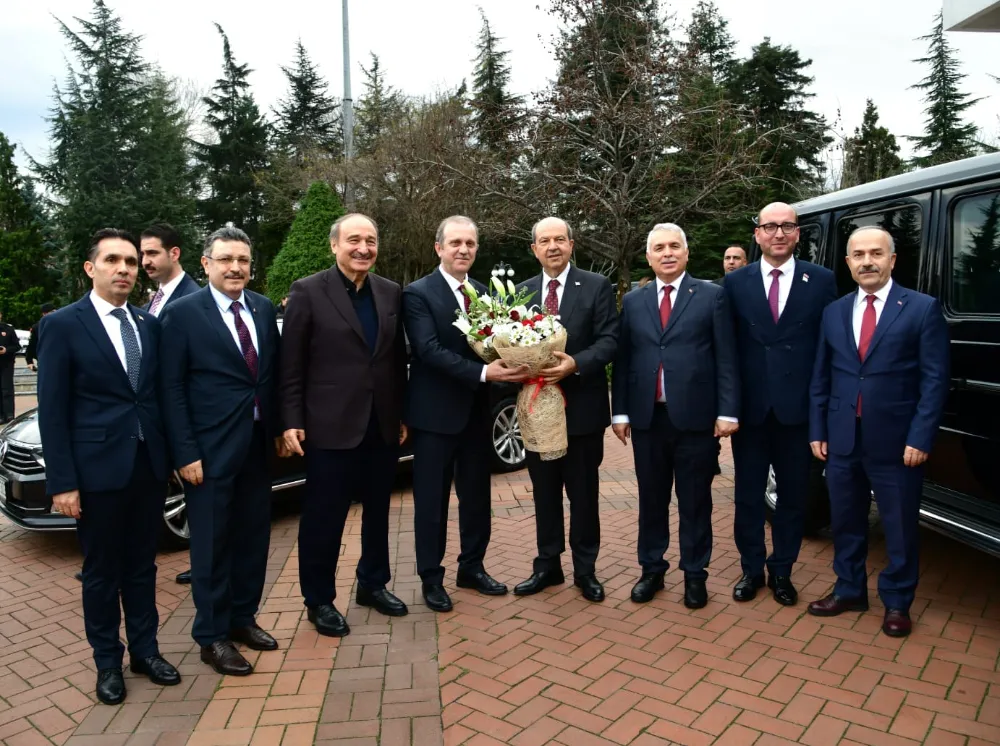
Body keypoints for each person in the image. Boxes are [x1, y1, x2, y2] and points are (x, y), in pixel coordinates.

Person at [37, 228, 180, 705]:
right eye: (114, 260)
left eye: (132, 262)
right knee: (102, 572)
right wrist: (63, 483)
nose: (124, 269)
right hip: (95, 472)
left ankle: (146, 651)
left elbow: (156, 398)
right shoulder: (62, 325)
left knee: (142, 566)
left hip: (146, 467)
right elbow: (53, 410)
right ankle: (107, 663)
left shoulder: (147, 324)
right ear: (90, 268)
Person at [808, 226, 949, 637]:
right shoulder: (834, 312)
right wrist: (818, 428)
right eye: (858, 254)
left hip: (897, 442)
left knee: (899, 525)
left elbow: (935, 380)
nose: (867, 261)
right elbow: (821, 376)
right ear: (848, 263)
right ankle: (849, 589)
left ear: (891, 260)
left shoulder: (921, 309)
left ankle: (898, 602)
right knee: (846, 521)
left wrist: (921, 436)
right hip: (841, 438)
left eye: (875, 253)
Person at [159, 225, 283, 676]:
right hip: (207, 453)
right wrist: (185, 452)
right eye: (226, 259)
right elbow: (171, 389)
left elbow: (269, 375)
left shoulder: (263, 309)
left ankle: (242, 619)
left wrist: (280, 429)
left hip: (255, 444)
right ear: (206, 264)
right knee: (210, 546)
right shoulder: (183, 314)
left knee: (253, 537)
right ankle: (211, 636)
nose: (236, 268)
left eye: (243, 260)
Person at [280, 213, 409, 637]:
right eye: (354, 240)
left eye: (371, 240)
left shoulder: (390, 293)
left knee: (378, 512)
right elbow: (292, 363)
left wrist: (401, 413)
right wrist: (292, 419)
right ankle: (318, 599)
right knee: (324, 517)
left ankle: (373, 583)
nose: (363, 248)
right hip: (329, 426)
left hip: (381, 425)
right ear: (334, 245)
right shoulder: (308, 291)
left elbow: (393, 361)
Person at [402, 215, 527, 612]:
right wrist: (484, 372)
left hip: (477, 414)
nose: (463, 250)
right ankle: (431, 577)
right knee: (432, 502)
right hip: (435, 417)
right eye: (455, 243)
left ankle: (471, 567)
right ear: (438, 248)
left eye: (470, 244)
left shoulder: (483, 293)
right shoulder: (418, 293)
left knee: (476, 497)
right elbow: (427, 349)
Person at [611, 223, 739, 608]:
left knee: (695, 500)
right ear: (648, 257)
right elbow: (624, 359)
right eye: (659, 248)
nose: (667, 253)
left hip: (696, 420)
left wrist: (727, 410)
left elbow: (727, 357)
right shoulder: (634, 301)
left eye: (674, 246)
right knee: (651, 499)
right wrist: (619, 412)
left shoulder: (712, 296)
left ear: (686, 253)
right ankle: (652, 570)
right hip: (649, 419)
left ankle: (695, 574)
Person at [724, 203, 837, 606]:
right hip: (751, 413)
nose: (778, 233)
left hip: (798, 412)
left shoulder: (821, 281)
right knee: (749, 496)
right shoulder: (735, 284)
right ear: (757, 234)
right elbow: (727, 351)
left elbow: (829, 349)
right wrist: (727, 407)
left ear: (797, 234)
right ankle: (751, 570)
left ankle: (783, 572)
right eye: (770, 226)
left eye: (786, 226)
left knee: (793, 498)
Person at [512, 217, 618, 602]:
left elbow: (610, 339)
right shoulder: (520, 293)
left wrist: (576, 363)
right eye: (545, 241)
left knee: (584, 494)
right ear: (534, 249)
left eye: (560, 239)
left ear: (572, 245)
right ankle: (548, 566)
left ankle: (585, 570)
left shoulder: (596, 286)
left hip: (582, 410)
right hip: (539, 410)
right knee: (544, 493)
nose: (552, 246)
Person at [139, 223, 200, 586]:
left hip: (185, 423)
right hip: (155, 422)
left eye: (151, 253)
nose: (144, 260)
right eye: (142, 254)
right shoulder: (155, 300)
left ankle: (202, 560)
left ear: (174, 253)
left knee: (196, 499)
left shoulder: (192, 300)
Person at [0, 311, 21, 423]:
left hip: (6, 364)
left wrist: (6, 350)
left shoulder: (8, 329)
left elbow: (17, 346)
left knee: (7, 389)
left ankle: (9, 414)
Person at [24, 302, 55, 372]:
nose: (55, 314)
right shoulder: (37, 327)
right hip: (45, 360)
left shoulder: (62, 324)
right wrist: (29, 361)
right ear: (44, 314)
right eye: (52, 312)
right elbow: (32, 344)